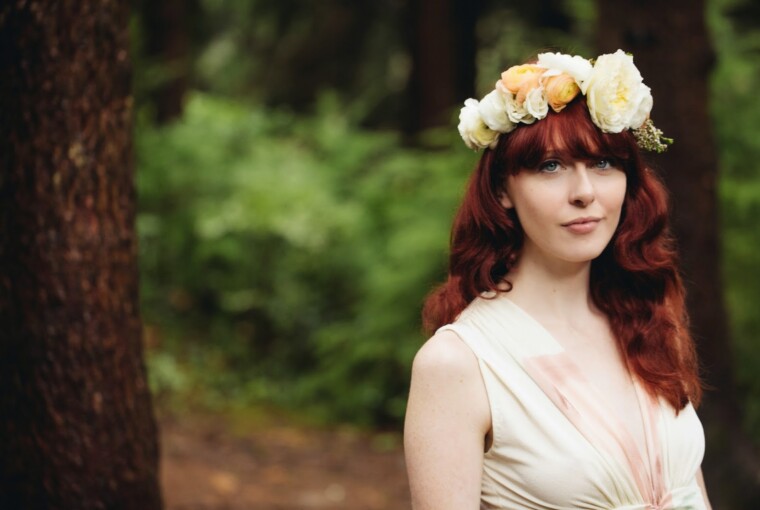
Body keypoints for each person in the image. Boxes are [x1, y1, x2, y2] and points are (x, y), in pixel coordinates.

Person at [403, 50, 713, 510]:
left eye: (604, 164)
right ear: (503, 189)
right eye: (551, 167)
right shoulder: (458, 365)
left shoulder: (648, 323)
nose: (585, 193)